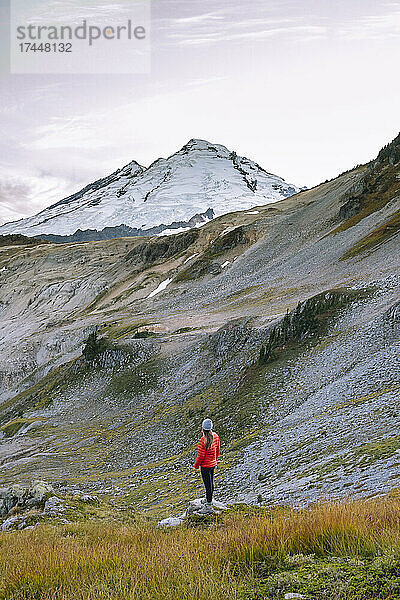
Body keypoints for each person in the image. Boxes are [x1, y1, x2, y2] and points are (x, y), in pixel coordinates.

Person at [194, 418, 220, 510]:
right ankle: (209, 499)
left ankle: (209, 505)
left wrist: (196, 465)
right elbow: (218, 450)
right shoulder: (215, 436)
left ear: (203, 429)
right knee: (211, 483)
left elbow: (200, 456)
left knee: (207, 484)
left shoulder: (203, 440)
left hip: (205, 466)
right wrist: (215, 460)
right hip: (212, 464)